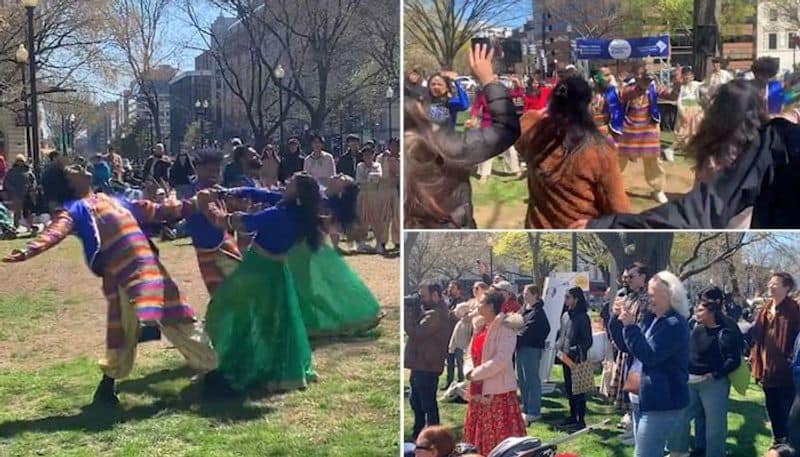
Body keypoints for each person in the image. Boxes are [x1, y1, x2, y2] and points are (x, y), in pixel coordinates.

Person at [2, 164, 225, 405]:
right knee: (158, 323)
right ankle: (215, 376)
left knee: (162, 321)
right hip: (122, 277)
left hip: (148, 268)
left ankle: (209, 374)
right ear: (68, 183)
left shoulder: (108, 199)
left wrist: (191, 204)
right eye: (71, 169)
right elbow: (56, 230)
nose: (79, 166)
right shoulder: (75, 209)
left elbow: (153, 210)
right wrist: (30, 249)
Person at [585, 80, 800, 229]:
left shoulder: (734, 152)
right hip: (729, 218)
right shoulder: (768, 144)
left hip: (722, 220)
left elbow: (702, 207)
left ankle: (654, 189)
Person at [199, 173, 325, 392]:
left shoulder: (278, 214)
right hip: (277, 271)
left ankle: (238, 362)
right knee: (273, 319)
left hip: (258, 269)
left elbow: (241, 223)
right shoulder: (298, 213)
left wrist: (211, 207)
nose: (286, 184)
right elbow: (262, 194)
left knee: (229, 308)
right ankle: (274, 366)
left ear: (296, 193)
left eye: (290, 183)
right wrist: (228, 193)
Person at [404, 44, 520, 228]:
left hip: (448, 145)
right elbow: (506, 128)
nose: (435, 87)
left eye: (439, 84)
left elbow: (464, 102)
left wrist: (456, 82)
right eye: (432, 84)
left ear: (446, 88)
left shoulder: (451, 103)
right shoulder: (424, 104)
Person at [515, 76, 630, 228]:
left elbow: (519, 128)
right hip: (579, 237)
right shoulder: (599, 149)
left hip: (538, 235)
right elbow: (618, 208)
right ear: (588, 106)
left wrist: (544, 112)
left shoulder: (534, 134)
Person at [608, 270, 690, 457]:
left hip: (661, 401)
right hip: (640, 396)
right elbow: (627, 346)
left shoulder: (674, 324)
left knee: (645, 454)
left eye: (653, 293)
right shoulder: (650, 319)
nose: (648, 297)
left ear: (669, 295)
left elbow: (650, 355)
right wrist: (616, 319)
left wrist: (630, 327)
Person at [668, 287, 742, 457]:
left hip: (713, 384)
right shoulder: (696, 329)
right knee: (681, 418)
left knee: (715, 425)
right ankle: (677, 451)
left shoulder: (725, 332)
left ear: (711, 312)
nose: (696, 312)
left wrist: (716, 374)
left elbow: (734, 360)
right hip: (690, 382)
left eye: (700, 309)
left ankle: (715, 453)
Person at [463, 291, 527, 455]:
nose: (477, 305)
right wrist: (469, 370)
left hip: (497, 392)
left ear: (491, 306)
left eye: (481, 302)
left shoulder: (506, 327)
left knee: (499, 438)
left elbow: (501, 359)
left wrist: (476, 374)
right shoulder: (480, 326)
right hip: (477, 390)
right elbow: (469, 352)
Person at [617, 63, 681, 204]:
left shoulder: (653, 87)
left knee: (654, 162)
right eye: (641, 73)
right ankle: (610, 187)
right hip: (628, 130)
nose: (645, 77)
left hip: (648, 130)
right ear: (635, 74)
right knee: (618, 161)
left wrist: (677, 83)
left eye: (646, 74)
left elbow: (672, 96)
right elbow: (625, 95)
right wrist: (642, 86)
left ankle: (658, 190)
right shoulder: (628, 86)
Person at [751, 272, 800, 445]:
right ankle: (778, 443)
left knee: (789, 414)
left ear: (786, 287)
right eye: (770, 283)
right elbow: (757, 338)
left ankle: (790, 446)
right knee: (773, 411)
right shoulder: (765, 309)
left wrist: (790, 361)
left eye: (775, 284)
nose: (770, 286)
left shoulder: (794, 309)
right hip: (767, 371)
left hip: (787, 374)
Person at [405, 281, 451, 440]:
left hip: (428, 365)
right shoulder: (431, 311)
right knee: (416, 402)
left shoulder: (437, 314)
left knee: (427, 404)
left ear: (436, 295)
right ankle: (419, 433)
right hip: (421, 364)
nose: (421, 300)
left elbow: (416, 332)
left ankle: (435, 437)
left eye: (423, 296)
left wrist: (407, 313)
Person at [555, 287, 593, 432]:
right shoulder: (565, 315)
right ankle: (572, 415)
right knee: (569, 388)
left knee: (579, 390)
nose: (565, 300)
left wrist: (575, 350)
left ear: (576, 299)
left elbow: (588, 341)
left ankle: (581, 419)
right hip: (564, 356)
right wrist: (558, 347)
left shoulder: (583, 317)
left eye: (568, 297)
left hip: (577, 359)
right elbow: (562, 334)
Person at [472, 84, 522, 183]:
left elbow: (517, 94)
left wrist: (517, 85)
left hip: (502, 124)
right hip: (487, 125)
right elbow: (476, 107)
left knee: (510, 149)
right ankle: (484, 174)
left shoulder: (503, 93)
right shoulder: (482, 94)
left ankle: (516, 170)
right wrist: (473, 117)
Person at [516, 284, 550, 424]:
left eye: (527, 293)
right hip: (521, 348)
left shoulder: (538, 312)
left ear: (535, 295)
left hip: (531, 349)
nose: (524, 295)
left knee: (532, 379)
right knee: (522, 379)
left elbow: (543, 329)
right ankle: (526, 405)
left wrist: (521, 334)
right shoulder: (524, 309)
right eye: (524, 293)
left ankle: (534, 411)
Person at [664, 67, 704, 161]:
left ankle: (695, 151)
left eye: (689, 76)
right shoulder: (682, 87)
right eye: (685, 76)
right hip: (686, 111)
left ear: (692, 77)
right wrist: (682, 111)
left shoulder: (696, 85)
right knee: (684, 132)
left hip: (696, 110)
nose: (687, 78)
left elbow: (707, 85)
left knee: (696, 131)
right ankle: (670, 149)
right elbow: (679, 100)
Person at [355, 146, 385, 253]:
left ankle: (378, 244)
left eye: (370, 154)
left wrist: (371, 177)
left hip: (374, 196)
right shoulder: (360, 166)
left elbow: (379, 177)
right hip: (363, 194)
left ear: (373, 155)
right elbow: (359, 179)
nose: (368, 157)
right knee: (363, 220)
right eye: (365, 155)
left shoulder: (377, 165)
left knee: (376, 220)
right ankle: (362, 243)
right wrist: (370, 178)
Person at [375, 138, 400, 252]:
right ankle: (383, 241)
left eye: (396, 145)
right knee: (384, 217)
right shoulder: (380, 157)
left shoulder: (400, 158)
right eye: (392, 145)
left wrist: (393, 160)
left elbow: (399, 174)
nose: (394, 148)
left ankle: (397, 241)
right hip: (383, 190)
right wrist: (386, 158)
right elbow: (378, 172)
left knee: (397, 217)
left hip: (395, 190)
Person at [444, 281, 468, 390]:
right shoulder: (448, 301)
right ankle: (449, 382)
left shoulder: (462, 302)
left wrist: (451, 313)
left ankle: (461, 382)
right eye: (449, 287)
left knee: (459, 360)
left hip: (459, 335)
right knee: (449, 360)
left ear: (458, 289)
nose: (449, 290)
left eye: (452, 288)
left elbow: (460, 316)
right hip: (448, 334)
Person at [3, 155, 36, 230]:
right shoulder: (11, 172)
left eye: (21, 161)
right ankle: (15, 227)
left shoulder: (27, 171)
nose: (20, 163)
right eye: (18, 161)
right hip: (16, 195)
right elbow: (7, 183)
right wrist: (11, 190)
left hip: (27, 194)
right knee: (17, 212)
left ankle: (30, 227)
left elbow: (33, 181)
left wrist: (32, 188)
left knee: (28, 212)